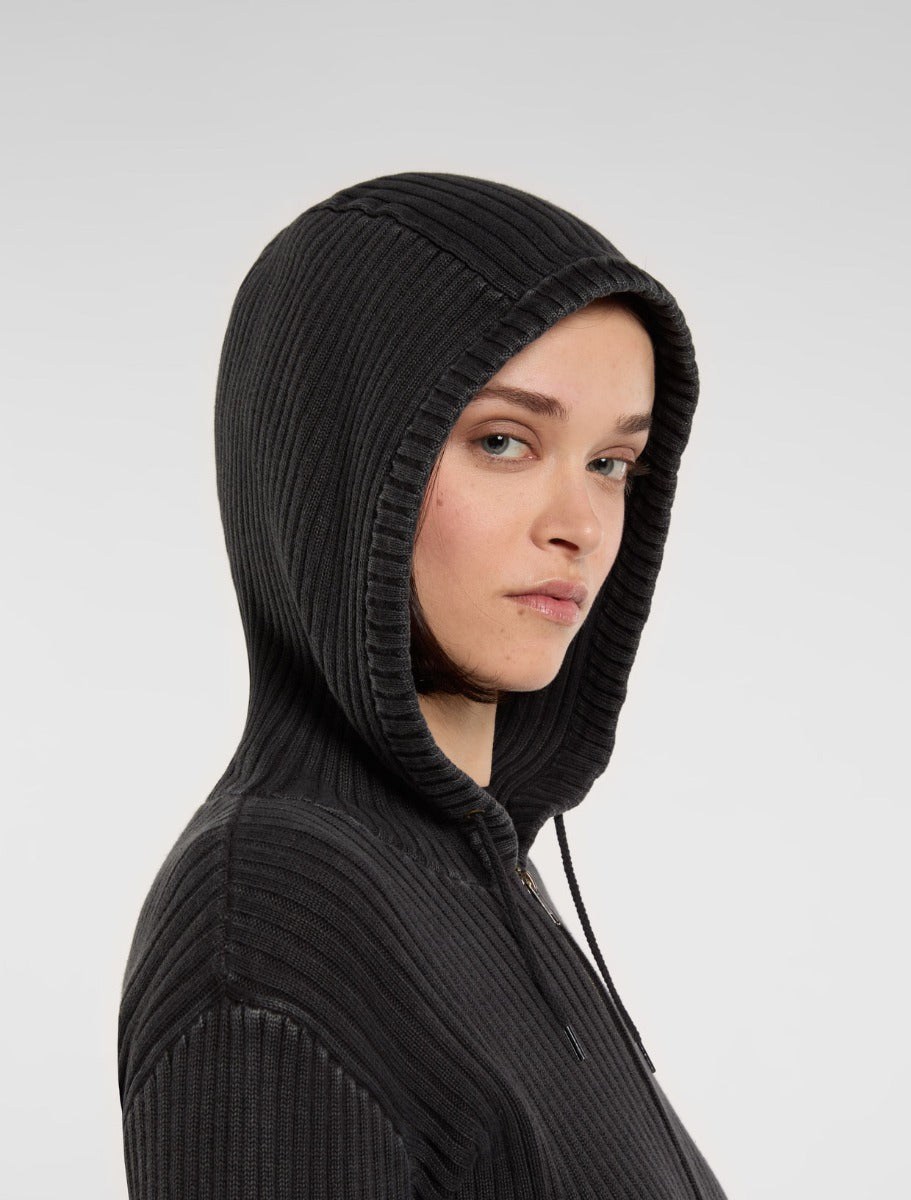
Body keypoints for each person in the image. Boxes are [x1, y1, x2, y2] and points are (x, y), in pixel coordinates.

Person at [117, 171, 730, 1198]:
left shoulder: (477, 873)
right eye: (503, 441)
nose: (579, 526)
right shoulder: (272, 923)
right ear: (338, 469)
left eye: (611, 463)